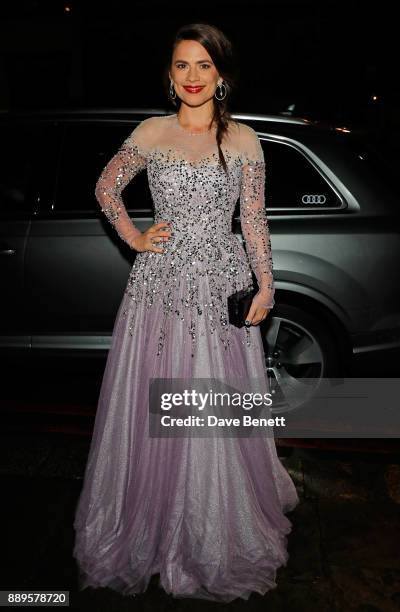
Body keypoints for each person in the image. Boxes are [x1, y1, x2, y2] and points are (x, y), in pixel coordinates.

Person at [73, 22, 299, 603]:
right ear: (169, 75)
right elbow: (106, 187)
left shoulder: (244, 140)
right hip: (161, 286)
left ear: (221, 75)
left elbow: (253, 221)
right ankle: (149, 514)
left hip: (220, 283)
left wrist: (266, 287)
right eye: (182, 65)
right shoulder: (152, 131)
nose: (194, 77)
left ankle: (213, 519)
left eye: (205, 65)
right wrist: (133, 236)